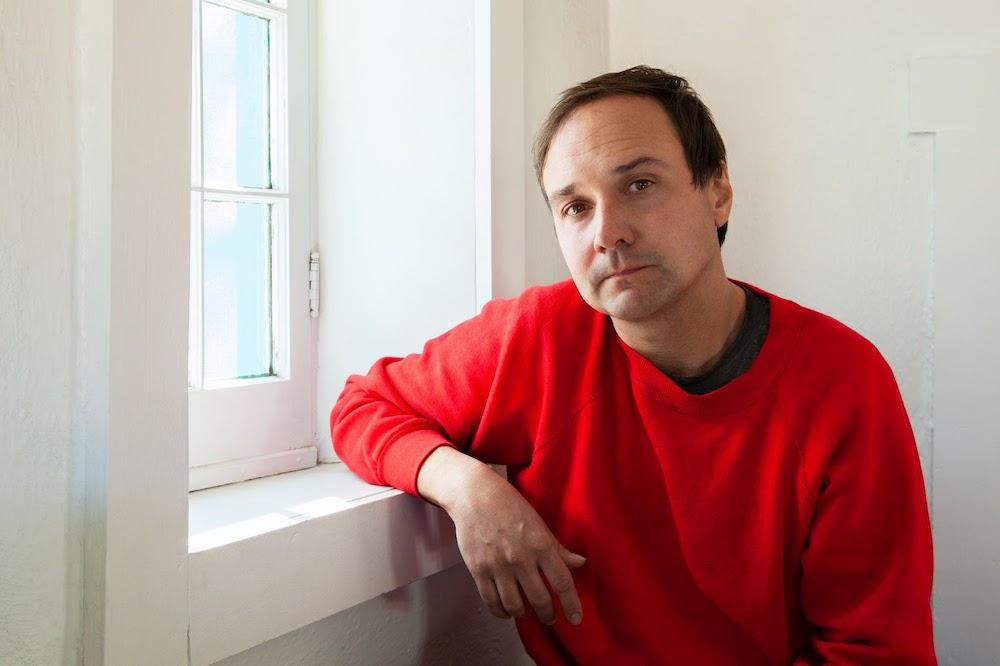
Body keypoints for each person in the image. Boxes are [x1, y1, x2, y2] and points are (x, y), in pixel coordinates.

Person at [329, 66, 936, 664]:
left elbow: (875, 654)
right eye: (575, 207)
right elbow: (363, 405)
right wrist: (467, 488)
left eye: (639, 185)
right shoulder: (539, 337)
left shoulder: (844, 382)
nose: (608, 233)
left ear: (718, 191)